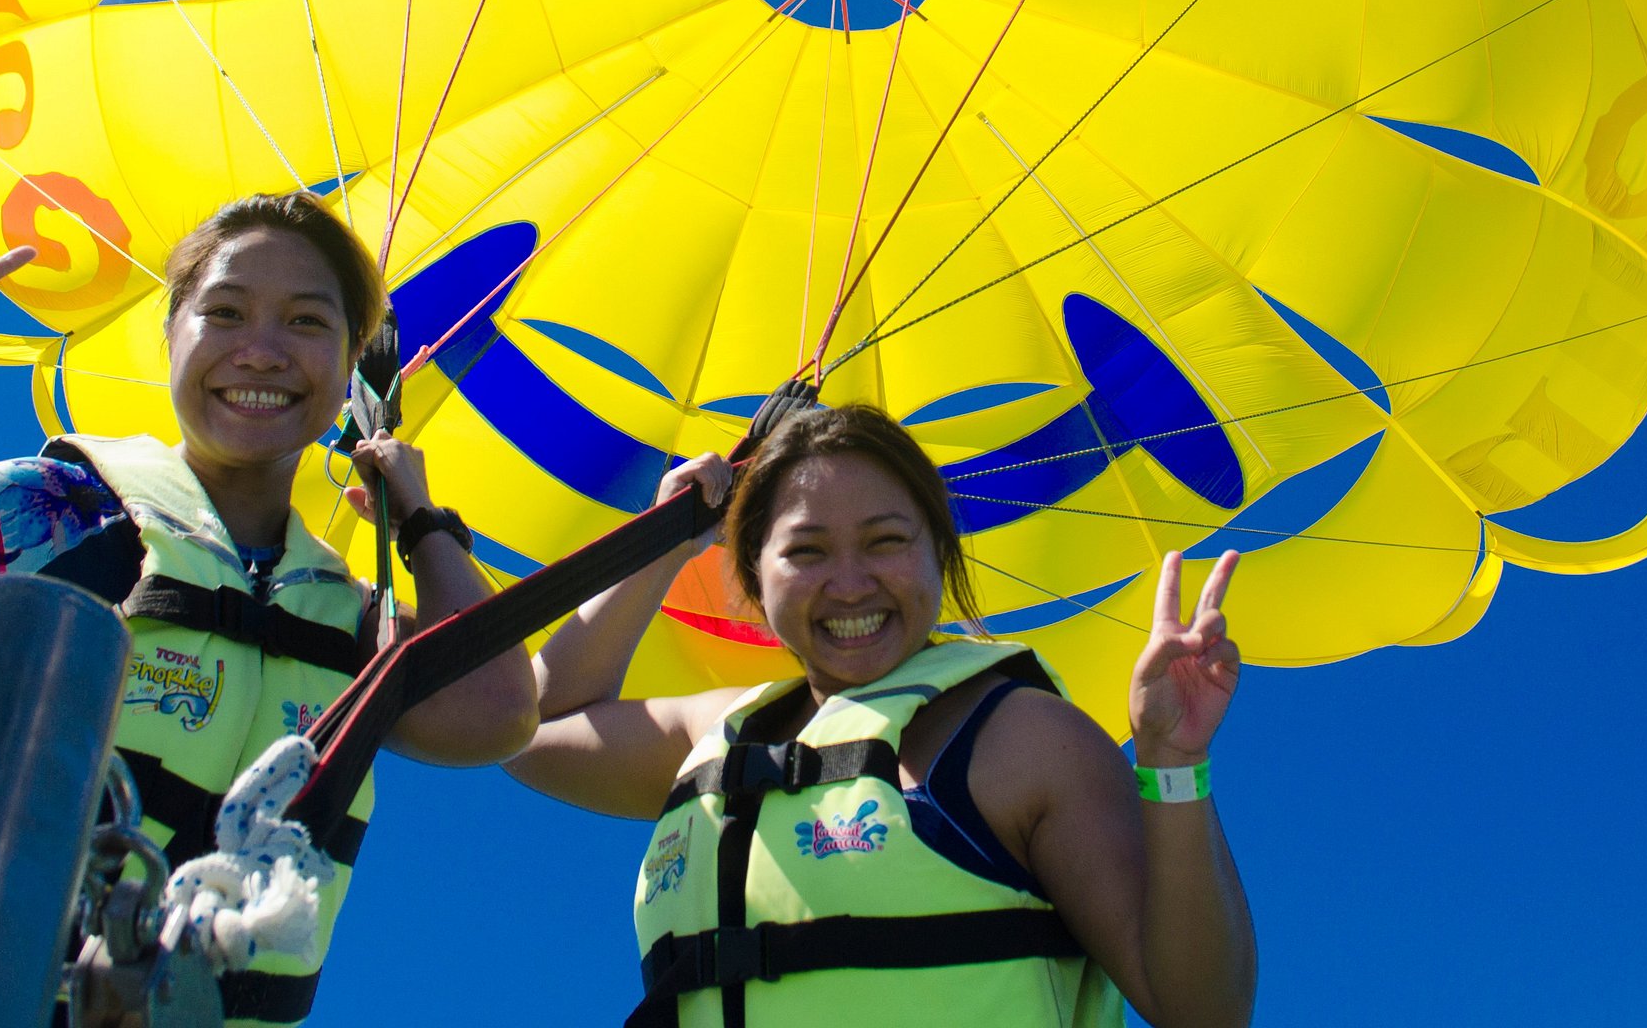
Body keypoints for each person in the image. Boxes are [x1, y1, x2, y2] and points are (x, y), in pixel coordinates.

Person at [0, 192, 537, 1027]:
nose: (264, 351)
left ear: (353, 365)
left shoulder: (349, 620)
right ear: (171, 336)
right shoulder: (48, 513)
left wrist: (422, 522)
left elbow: (497, 716)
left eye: (308, 324)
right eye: (226, 313)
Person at [508, 402, 1256, 1028]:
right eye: (806, 552)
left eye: (886, 541)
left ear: (940, 552)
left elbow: (1198, 1009)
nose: (851, 583)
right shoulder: (713, 735)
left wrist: (1174, 765)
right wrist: (659, 549)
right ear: (753, 579)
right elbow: (521, 727)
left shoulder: (1023, 738)